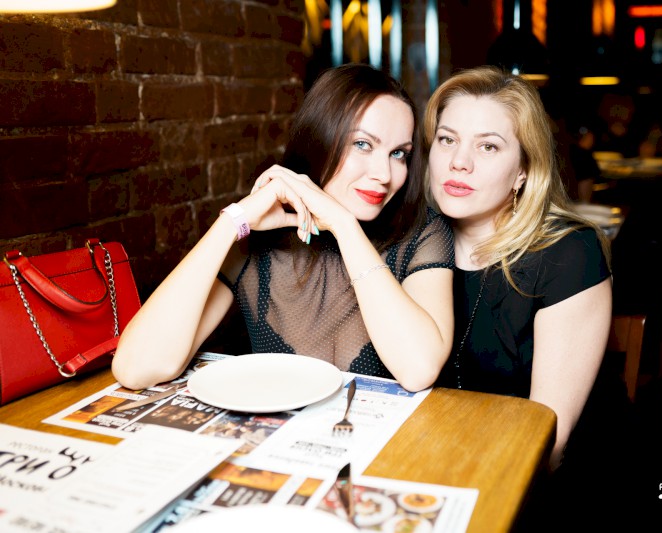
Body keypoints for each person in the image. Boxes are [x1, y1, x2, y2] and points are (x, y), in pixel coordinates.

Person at [112, 64, 455, 393]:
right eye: (362, 144)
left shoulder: (423, 231)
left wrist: (344, 226)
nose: (384, 174)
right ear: (320, 138)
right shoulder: (259, 238)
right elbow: (135, 368)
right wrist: (230, 223)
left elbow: (418, 369)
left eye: (399, 154)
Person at [423, 66, 644, 528]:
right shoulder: (416, 244)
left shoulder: (569, 253)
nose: (459, 162)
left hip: (567, 493)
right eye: (447, 139)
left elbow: (549, 446)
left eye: (488, 146)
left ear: (523, 171)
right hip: (443, 466)